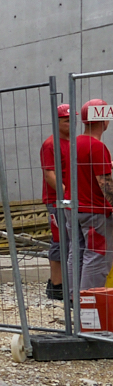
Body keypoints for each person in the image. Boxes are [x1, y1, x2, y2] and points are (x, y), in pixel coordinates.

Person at [67, 98, 113, 290]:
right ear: (104, 121)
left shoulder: (74, 144)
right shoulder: (97, 147)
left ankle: (74, 300)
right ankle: (90, 302)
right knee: (97, 257)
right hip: (95, 211)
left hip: (73, 208)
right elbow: (105, 184)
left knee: (76, 253)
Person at [40, 103, 72, 300]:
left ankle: (67, 283)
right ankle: (56, 285)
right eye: (67, 120)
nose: (71, 123)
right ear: (57, 122)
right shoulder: (51, 145)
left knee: (71, 240)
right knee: (60, 240)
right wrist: (67, 195)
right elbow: (49, 175)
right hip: (58, 200)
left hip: (72, 199)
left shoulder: (74, 143)